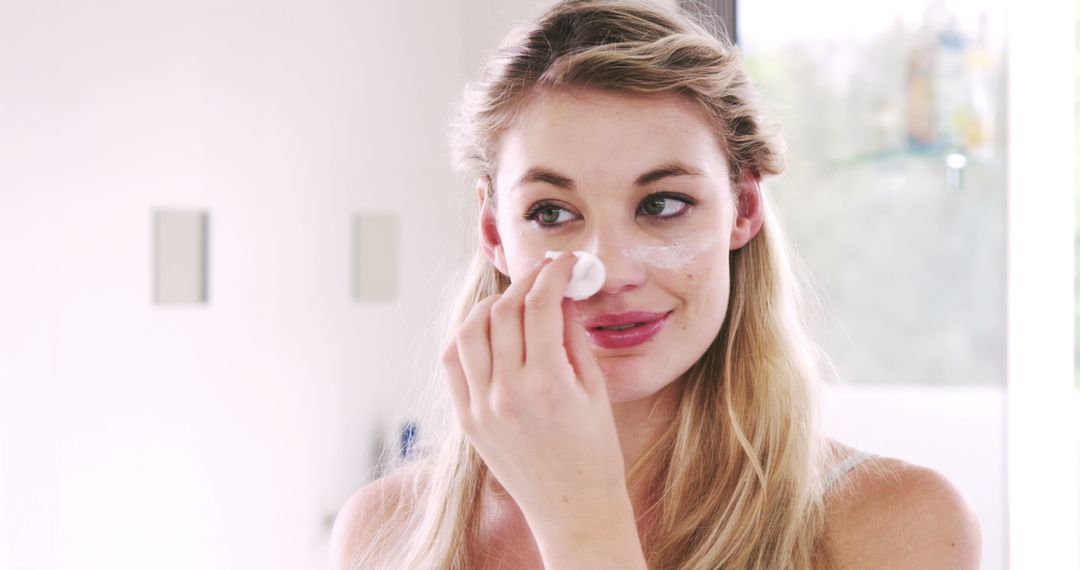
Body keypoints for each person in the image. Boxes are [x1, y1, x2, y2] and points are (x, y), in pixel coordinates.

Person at [330, 0, 982, 568]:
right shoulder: (382, 532)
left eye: (662, 204)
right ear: (495, 231)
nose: (610, 272)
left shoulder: (899, 526)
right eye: (551, 213)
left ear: (744, 209)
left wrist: (581, 521)